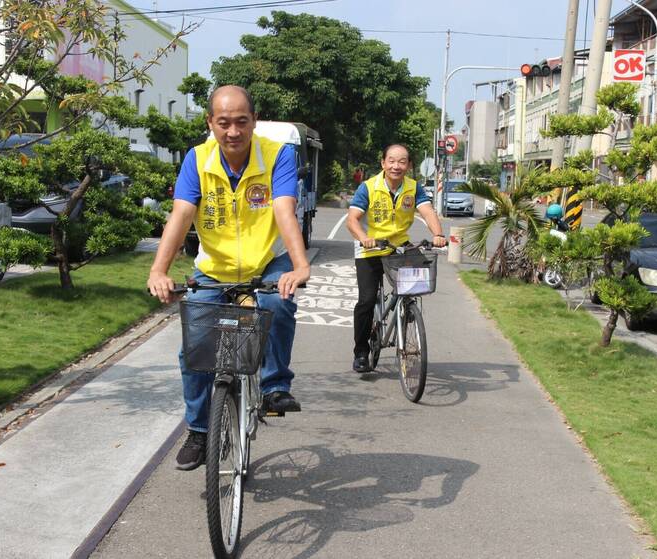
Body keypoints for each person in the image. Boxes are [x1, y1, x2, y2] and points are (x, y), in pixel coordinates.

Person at [147, 85, 310, 471]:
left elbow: (285, 210)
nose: (233, 131)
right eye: (223, 123)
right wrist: (159, 269)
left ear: (254, 121)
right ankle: (199, 431)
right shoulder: (198, 159)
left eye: (241, 122)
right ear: (210, 124)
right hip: (214, 267)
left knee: (277, 302)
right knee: (194, 348)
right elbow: (182, 214)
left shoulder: (277, 155)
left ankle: (274, 387)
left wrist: (299, 265)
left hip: (266, 262)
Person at [345, 144, 446, 373]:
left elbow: (428, 211)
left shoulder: (413, 188)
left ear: (409, 165)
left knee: (415, 283)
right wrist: (364, 238)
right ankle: (361, 352)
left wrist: (438, 234)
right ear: (383, 163)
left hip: (398, 247)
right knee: (367, 300)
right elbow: (352, 220)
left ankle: (406, 311)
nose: (396, 166)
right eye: (391, 160)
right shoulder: (368, 187)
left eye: (402, 161)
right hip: (370, 249)